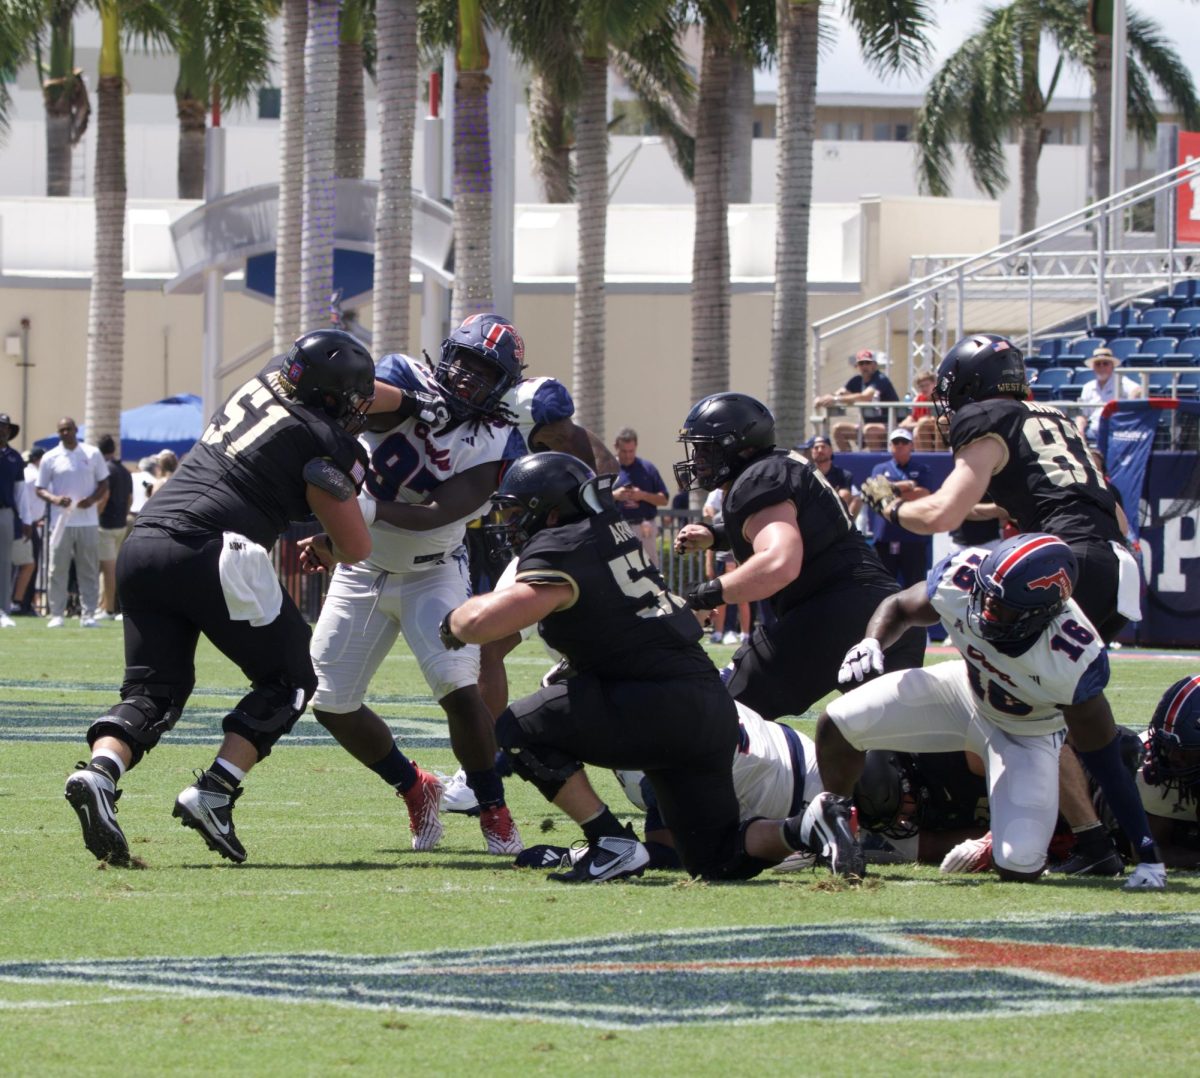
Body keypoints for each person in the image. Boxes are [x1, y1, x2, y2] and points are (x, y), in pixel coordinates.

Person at [62, 328, 375, 867]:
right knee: (292, 678)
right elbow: (356, 545)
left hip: (147, 542)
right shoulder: (327, 440)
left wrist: (417, 398)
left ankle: (99, 773)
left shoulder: (257, 386)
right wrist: (324, 547)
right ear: (331, 395)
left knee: (154, 689)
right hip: (211, 549)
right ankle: (215, 790)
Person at [440, 452, 825, 882]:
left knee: (518, 728)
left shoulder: (564, 543)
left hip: (657, 702)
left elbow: (482, 624)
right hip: (708, 707)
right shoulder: (609, 533)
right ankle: (805, 828)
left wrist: (453, 622)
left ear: (548, 512)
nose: (508, 523)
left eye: (515, 512)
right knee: (715, 859)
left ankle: (609, 841)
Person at [813, 532, 1166, 888]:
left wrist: (1148, 854)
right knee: (837, 723)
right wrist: (872, 641)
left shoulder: (1071, 659)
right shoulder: (966, 579)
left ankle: (997, 838)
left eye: (1000, 607)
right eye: (985, 596)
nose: (983, 610)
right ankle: (837, 827)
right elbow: (902, 606)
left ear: (1040, 614)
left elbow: (1108, 767)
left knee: (1018, 865)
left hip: (1026, 734)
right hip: (962, 691)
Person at [301, 314, 528, 856]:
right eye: (464, 362)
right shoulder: (402, 372)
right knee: (330, 701)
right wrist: (412, 405)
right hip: (361, 570)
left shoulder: (501, 438)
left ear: (503, 384)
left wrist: (351, 513)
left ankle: (493, 808)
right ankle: (415, 786)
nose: (468, 378)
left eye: (483, 371)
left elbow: (435, 511)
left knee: (459, 689)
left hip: (433, 569)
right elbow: (355, 397)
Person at [860, 333, 1136, 645]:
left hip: (1061, 562)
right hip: (1118, 571)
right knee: (1052, 690)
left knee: (990, 673)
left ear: (971, 383)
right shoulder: (1059, 419)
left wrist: (888, 505)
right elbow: (1119, 521)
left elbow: (941, 517)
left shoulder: (987, 418)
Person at [673, 393, 926, 722]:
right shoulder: (780, 465)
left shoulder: (757, 478)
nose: (698, 458)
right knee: (897, 755)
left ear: (740, 446)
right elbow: (802, 527)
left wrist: (703, 595)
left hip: (833, 614)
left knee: (719, 713)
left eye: (706, 448)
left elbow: (780, 563)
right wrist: (716, 535)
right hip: (890, 614)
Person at [36, 416, 109, 628]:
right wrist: (55, 499)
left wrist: (93, 499)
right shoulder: (50, 457)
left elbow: (104, 481)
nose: (65, 433)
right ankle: (57, 613)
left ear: (76, 429)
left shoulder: (92, 453)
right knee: (57, 569)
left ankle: (89, 614)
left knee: (88, 569)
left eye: (68, 429)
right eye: (62, 430)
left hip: (87, 521)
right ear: (58, 433)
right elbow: (40, 488)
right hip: (61, 522)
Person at [1131, 676, 1200, 868]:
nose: (1172, 757)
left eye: (1185, 749)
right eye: (1166, 745)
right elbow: (1148, 850)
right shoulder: (1149, 771)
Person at [867, 428, 932, 589]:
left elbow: (924, 493)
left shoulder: (922, 468)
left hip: (913, 536)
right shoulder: (879, 469)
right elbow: (877, 493)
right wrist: (907, 485)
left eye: (904, 442)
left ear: (911, 445)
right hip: (885, 537)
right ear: (890, 446)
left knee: (916, 586)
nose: (900, 445)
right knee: (883, 586)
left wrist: (891, 491)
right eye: (896, 442)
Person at [813, 349, 899, 451]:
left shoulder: (881, 378)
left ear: (874, 365)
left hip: (890, 427)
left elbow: (865, 396)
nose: (864, 366)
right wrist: (822, 399)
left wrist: (836, 399)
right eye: (861, 363)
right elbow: (839, 393)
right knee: (838, 429)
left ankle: (875, 465)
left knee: (870, 430)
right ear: (856, 367)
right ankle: (848, 463)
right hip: (867, 427)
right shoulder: (856, 381)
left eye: (867, 363)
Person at [702, 486, 752, 646]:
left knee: (743, 599)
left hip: (738, 561)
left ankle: (745, 634)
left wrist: (735, 562)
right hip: (721, 561)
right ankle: (718, 632)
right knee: (720, 599)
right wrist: (708, 564)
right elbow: (711, 544)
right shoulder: (717, 518)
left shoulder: (742, 517)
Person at [612, 427, 669, 566]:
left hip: (644, 528)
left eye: (631, 451)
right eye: (623, 451)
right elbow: (595, 497)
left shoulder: (647, 468)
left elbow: (664, 499)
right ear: (616, 447)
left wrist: (642, 495)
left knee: (650, 569)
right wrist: (614, 495)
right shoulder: (608, 468)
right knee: (621, 570)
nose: (627, 455)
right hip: (617, 529)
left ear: (636, 447)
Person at [0, 412, 36, 627]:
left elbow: (20, 492)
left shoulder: (14, 458)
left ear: (9, 431)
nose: (1, 430)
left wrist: (26, 520)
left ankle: (3, 610)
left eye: (4, 427)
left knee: (5, 563)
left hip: (5, 512)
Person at [95, 433, 133, 620]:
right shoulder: (125, 470)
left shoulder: (105, 469)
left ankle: (109, 609)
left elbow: (104, 496)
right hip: (121, 524)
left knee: (108, 568)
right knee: (112, 567)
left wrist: (95, 516)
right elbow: (129, 498)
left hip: (106, 524)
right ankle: (105, 605)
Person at [1075, 346, 1142, 443]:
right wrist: (1080, 432)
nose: (1102, 367)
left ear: (1112, 366)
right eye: (1098, 364)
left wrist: (1131, 400)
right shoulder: (1087, 387)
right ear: (1093, 367)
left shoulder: (1121, 382)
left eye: (1105, 363)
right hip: (1093, 432)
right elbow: (1082, 415)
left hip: (1116, 432)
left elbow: (1138, 390)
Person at [11, 445, 45, 615]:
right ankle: (20, 602)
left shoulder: (26, 473)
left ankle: (19, 602)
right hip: (26, 522)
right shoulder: (35, 475)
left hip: (24, 521)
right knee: (28, 564)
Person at [800, 434, 859, 516]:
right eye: (816, 448)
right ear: (811, 452)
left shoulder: (843, 475)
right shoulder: (805, 475)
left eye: (823, 447)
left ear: (831, 450)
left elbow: (843, 499)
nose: (820, 450)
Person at [897, 368, 945, 451]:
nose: (924, 389)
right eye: (921, 386)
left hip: (942, 434)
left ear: (934, 384)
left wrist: (921, 423)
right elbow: (905, 423)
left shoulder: (943, 397)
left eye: (927, 385)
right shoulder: (919, 399)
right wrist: (920, 424)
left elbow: (943, 420)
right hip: (924, 435)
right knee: (919, 427)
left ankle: (938, 456)